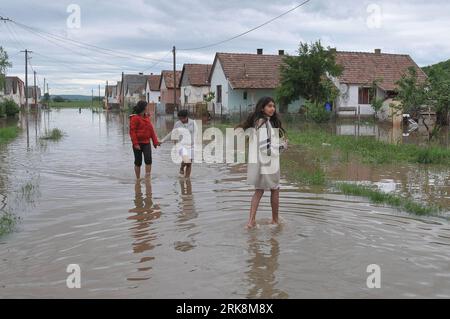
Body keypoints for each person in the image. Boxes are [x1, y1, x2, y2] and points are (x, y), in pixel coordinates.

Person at [237, 97, 286, 229]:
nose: (272, 109)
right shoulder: (264, 123)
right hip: (268, 163)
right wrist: (283, 146)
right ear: (262, 108)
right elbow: (266, 148)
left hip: (258, 163)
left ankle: (251, 221)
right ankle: (275, 220)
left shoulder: (259, 122)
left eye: (273, 106)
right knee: (275, 189)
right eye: (269, 106)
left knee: (259, 191)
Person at [161, 110, 198, 178]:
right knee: (187, 161)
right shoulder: (177, 124)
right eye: (180, 118)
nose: (181, 120)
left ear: (187, 117)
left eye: (183, 118)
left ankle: (187, 179)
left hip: (191, 146)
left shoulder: (193, 123)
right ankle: (181, 167)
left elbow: (196, 134)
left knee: (189, 164)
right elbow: (172, 134)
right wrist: (163, 140)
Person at [129, 100, 161, 180]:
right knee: (138, 162)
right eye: (147, 106)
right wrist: (135, 144)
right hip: (138, 144)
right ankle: (138, 179)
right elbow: (132, 132)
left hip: (146, 143)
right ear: (143, 108)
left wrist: (155, 142)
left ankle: (147, 178)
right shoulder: (135, 118)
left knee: (148, 160)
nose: (148, 107)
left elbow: (151, 131)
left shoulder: (147, 118)